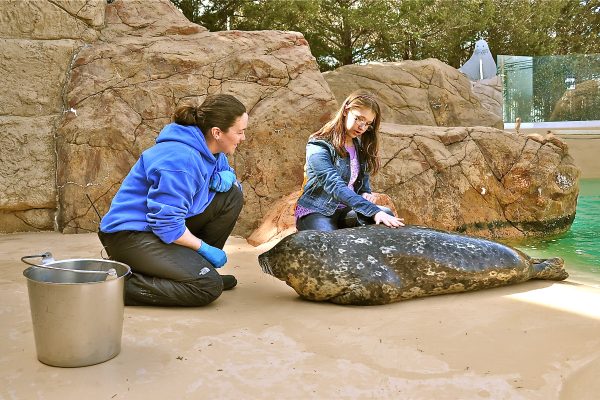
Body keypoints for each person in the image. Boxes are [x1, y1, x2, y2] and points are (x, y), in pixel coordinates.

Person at [98, 94, 247, 307]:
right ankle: (110, 285)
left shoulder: (213, 151)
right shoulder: (181, 159)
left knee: (230, 196)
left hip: (158, 228)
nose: (243, 138)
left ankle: (193, 271)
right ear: (217, 132)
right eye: (239, 132)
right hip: (130, 236)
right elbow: (166, 224)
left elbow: (227, 179)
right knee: (206, 287)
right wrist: (204, 248)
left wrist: (228, 177)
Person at [295, 91, 404, 231]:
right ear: (346, 110)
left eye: (368, 123)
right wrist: (373, 210)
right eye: (359, 118)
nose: (362, 127)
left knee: (385, 215)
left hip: (346, 210)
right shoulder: (319, 144)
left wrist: (365, 193)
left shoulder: (360, 147)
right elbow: (334, 184)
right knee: (330, 242)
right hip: (318, 209)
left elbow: (363, 184)